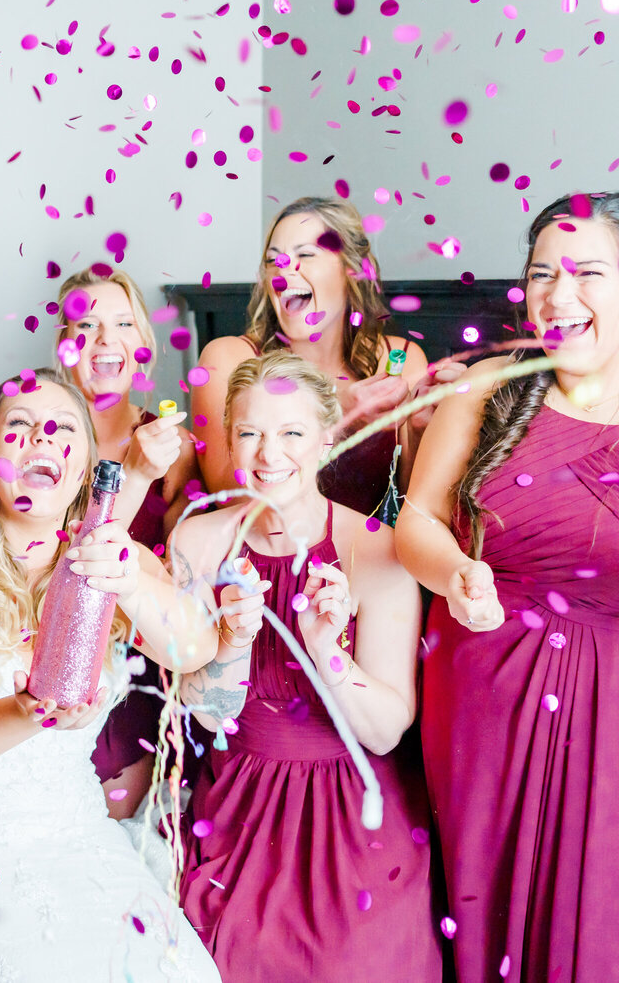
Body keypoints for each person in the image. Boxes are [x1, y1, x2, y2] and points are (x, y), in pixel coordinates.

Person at [397, 192, 619, 981]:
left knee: (614, 935)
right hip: (483, 712)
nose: (557, 297)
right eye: (541, 274)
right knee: (480, 934)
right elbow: (415, 524)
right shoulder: (486, 388)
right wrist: (456, 570)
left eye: (585, 273)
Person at [0, 367, 220, 980]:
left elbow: (194, 649)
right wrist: (28, 711)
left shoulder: (110, 558)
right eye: (19, 427)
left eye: (62, 432)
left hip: (75, 832)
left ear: (84, 469)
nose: (41, 440)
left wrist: (131, 582)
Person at [175, 352, 440, 980]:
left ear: (326, 438)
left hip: (355, 810)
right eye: (250, 433)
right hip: (238, 803)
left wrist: (327, 651)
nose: (269, 454)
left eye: (291, 432)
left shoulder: (376, 547)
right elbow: (205, 716)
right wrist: (233, 642)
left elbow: (383, 730)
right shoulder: (198, 543)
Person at [191, 196, 456, 519]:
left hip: (368, 558)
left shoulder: (398, 358)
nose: (282, 272)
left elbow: (412, 503)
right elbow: (227, 498)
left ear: (351, 271)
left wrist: (418, 431)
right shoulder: (229, 358)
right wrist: (337, 412)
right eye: (274, 261)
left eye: (305, 255)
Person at [54, 266, 194, 819]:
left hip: (137, 667)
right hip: (51, 651)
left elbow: (181, 570)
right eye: (86, 326)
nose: (106, 340)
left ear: (143, 345)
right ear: (65, 348)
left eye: (122, 324)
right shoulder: (40, 433)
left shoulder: (176, 447)